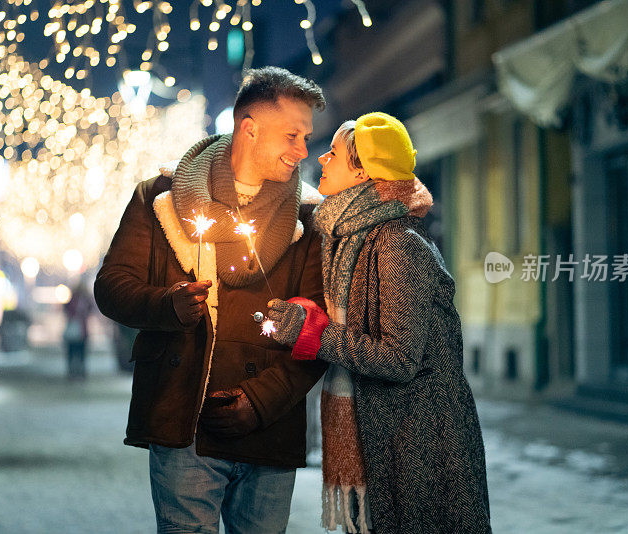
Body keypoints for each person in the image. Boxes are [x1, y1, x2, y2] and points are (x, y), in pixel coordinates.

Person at [94, 66, 328, 534]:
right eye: (292, 135)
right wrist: (166, 305)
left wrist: (258, 402)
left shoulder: (310, 216)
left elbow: (319, 331)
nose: (303, 151)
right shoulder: (159, 197)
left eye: (306, 137)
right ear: (250, 128)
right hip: (183, 425)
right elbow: (112, 286)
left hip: (268, 432)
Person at [268, 113, 492, 533]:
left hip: (421, 449)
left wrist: (316, 333)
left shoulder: (396, 245)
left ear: (362, 171)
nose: (321, 159)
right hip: (388, 442)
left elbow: (400, 358)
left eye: (333, 153)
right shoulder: (351, 239)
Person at [63, 282, 94, 380]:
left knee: (79, 353)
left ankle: (78, 372)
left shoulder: (83, 300)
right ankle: (74, 372)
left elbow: (90, 309)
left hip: (81, 330)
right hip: (77, 329)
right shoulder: (74, 300)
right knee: (75, 352)